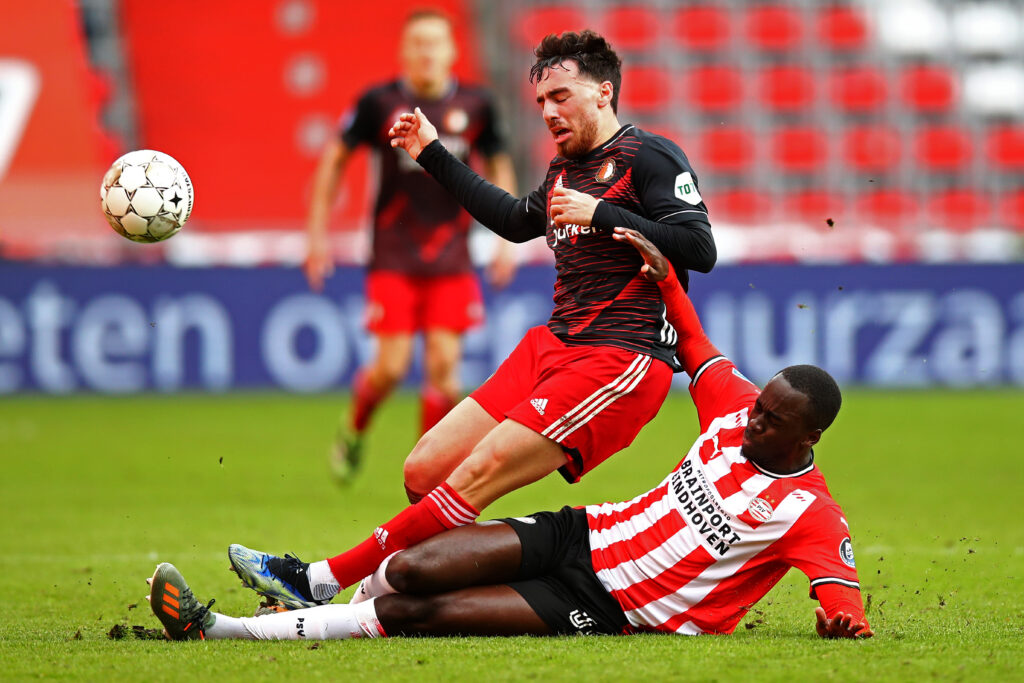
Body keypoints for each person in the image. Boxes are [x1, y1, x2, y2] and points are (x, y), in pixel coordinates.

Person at [147, 230, 871, 642]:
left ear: (808, 437)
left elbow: (842, 594)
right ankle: (314, 594)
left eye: (771, 420)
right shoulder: (732, 406)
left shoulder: (810, 512)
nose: (752, 419)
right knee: (410, 567)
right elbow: (694, 344)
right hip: (581, 535)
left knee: (410, 610)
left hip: (611, 606)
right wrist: (667, 281)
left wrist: (841, 621)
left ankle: (224, 631)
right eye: (757, 407)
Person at [227, 30, 717, 605]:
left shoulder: (650, 157)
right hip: (554, 346)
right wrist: (431, 152)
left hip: (621, 359)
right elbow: (512, 219)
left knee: (475, 475)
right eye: (541, 102)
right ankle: (453, 576)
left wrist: (602, 213)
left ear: (604, 92)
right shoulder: (564, 171)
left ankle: (320, 580)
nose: (548, 112)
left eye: (561, 96)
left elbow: (698, 248)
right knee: (425, 470)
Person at [306, 8, 519, 481]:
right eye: (417, 43)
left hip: (453, 255)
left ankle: (430, 472)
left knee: (445, 370)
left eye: (435, 43)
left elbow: (501, 165)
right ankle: (354, 431)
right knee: (391, 367)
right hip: (394, 252)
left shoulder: (478, 105)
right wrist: (317, 233)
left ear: (452, 50)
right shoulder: (379, 103)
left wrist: (507, 243)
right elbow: (335, 159)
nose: (426, 52)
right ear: (404, 51)